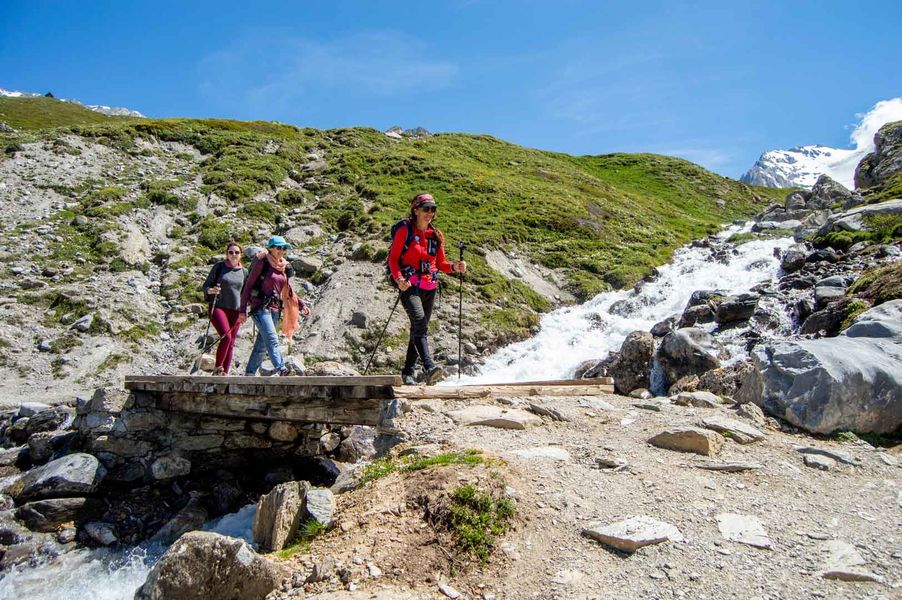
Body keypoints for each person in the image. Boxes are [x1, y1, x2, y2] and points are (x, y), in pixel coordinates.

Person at [388, 193, 467, 386]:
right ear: (415, 210)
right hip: (409, 285)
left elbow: (440, 263)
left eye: (433, 209)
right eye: (426, 208)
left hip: (430, 287)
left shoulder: (436, 236)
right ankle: (429, 366)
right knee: (420, 323)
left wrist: (455, 267)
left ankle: (408, 372)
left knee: (418, 328)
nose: (430, 213)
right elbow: (393, 258)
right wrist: (398, 278)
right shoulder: (404, 231)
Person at [239, 236, 310, 376]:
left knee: (262, 344)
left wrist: (301, 305)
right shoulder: (262, 262)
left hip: (276, 309)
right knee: (272, 339)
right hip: (260, 308)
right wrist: (242, 311)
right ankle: (281, 368)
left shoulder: (283, 266)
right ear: (270, 248)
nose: (281, 251)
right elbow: (248, 286)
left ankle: (250, 373)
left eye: (284, 248)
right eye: (278, 247)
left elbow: (288, 290)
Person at [202, 241, 247, 375]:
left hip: (236, 310)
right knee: (226, 337)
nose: (233, 255)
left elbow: (246, 292)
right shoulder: (219, 267)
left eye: (236, 252)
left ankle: (225, 374)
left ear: (241, 255)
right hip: (218, 307)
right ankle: (218, 368)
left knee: (231, 342)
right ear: (226, 254)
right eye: (231, 252)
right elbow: (206, 286)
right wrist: (211, 290)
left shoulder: (244, 272)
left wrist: (245, 310)